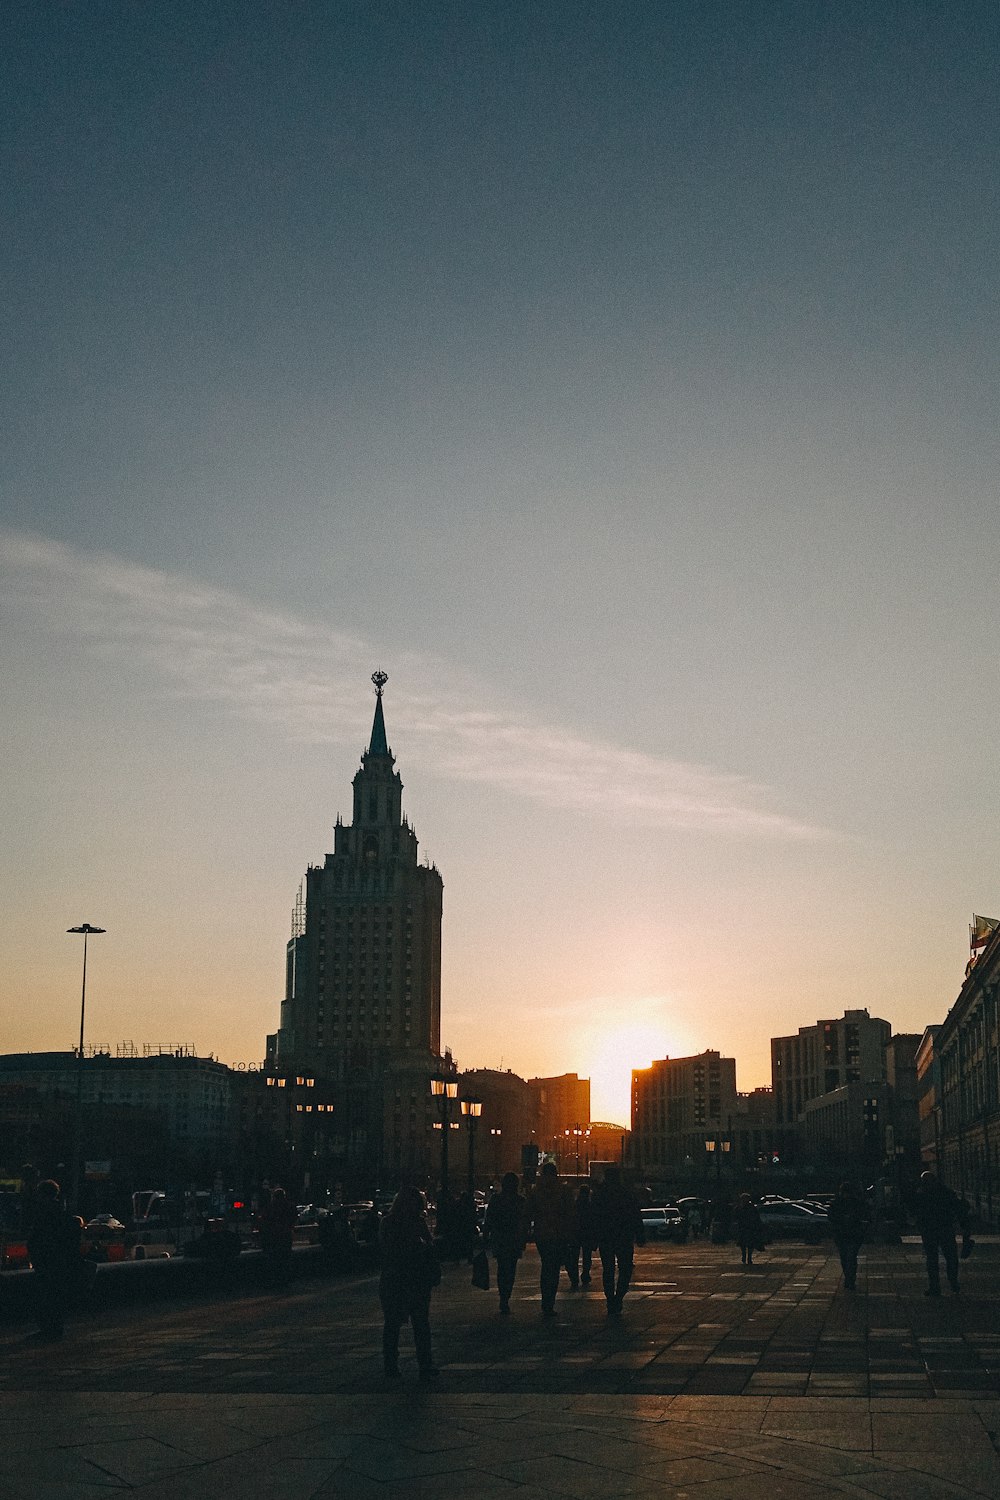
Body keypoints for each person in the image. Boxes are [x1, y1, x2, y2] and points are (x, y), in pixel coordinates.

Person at [379, 1186, 440, 1380]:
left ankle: (391, 1364)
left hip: (395, 1277)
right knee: (420, 1323)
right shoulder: (417, 1223)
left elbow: (385, 1250)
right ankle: (425, 1363)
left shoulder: (388, 1222)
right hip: (413, 1278)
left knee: (393, 1324)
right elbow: (428, 1246)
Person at [25, 1179, 81, 1341]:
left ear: (42, 1194)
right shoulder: (63, 1212)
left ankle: (48, 1330)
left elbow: (38, 1238)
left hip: (46, 1261)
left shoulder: (44, 1213)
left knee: (44, 1297)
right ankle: (55, 1328)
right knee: (55, 1297)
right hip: (59, 1262)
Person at [591, 1166, 644, 1316]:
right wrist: (639, 1235)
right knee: (625, 1268)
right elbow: (635, 1215)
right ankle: (618, 1297)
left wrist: (593, 1237)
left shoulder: (599, 1195)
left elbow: (593, 1217)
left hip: (606, 1236)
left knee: (608, 1269)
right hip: (624, 1236)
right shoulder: (626, 1193)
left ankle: (610, 1298)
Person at [529, 1162, 574, 1317]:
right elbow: (570, 1213)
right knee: (553, 1269)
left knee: (546, 1266)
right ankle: (549, 1302)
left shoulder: (536, 1191)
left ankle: (546, 1301)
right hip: (559, 1233)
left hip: (542, 1234)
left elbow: (529, 1212)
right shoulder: (563, 1190)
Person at [914, 1170, 970, 1296]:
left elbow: (917, 1211)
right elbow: (958, 1207)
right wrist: (964, 1225)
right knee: (950, 1257)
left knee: (932, 1259)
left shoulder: (922, 1194)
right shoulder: (945, 1192)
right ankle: (953, 1283)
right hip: (945, 1228)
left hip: (930, 1230)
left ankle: (935, 1287)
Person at [484, 1172, 529, 1314]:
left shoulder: (496, 1199)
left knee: (502, 1267)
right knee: (511, 1268)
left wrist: (486, 1234)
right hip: (514, 1238)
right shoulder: (520, 1200)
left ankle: (503, 1296)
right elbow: (525, 1220)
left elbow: (489, 1218)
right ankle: (506, 1295)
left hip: (500, 1237)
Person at [827, 1181, 868, 1292]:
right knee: (848, 1257)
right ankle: (849, 1278)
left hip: (847, 1234)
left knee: (848, 1256)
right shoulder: (851, 1203)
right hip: (847, 1233)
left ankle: (850, 1278)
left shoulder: (842, 1203)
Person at [257, 1186, 298, 1286]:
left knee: (274, 1259)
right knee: (285, 1258)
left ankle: (274, 1279)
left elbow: (264, 1221)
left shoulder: (270, 1207)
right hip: (285, 1235)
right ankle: (285, 1279)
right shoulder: (289, 1206)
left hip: (273, 1236)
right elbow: (294, 1219)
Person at [573, 1183, 597, 1287]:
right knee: (587, 1256)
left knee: (574, 1256)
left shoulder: (575, 1205)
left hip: (576, 1232)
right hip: (587, 1233)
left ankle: (574, 1277)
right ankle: (585, 1274)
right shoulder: (591, 1205)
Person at [732, 1193, 763, 1268]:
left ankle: (749, 1257)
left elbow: (756, 1217)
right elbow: (734, 1217)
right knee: (743, 1244)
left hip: (750, 1228)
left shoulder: (751, 1207)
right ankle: (744, 1256)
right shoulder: (739, 1208)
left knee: (750, 1244)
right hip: (743, 1227)